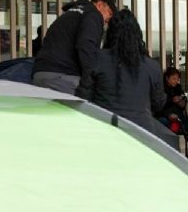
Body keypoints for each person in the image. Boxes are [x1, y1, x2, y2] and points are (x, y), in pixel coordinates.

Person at [76, 9, 177, 148]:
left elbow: (83, 96)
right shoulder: (152, 66)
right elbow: (158, 103)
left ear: (110, 34)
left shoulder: (97, 58)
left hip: (104, 131)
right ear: (137, 34)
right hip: (142, 133)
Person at [32, 0, 117, 95]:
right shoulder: (93, 15)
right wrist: (88, 82)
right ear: (100, 5)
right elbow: (86, 46)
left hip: (41, 74)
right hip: (63, 76)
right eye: (110, 13)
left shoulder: (70, 14)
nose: (109, 19)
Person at [156, 67, 188, 135]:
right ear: (167, 78)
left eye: (177, 79)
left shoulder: (178, 87)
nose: (176, 81)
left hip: (178, 115)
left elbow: (183, 100)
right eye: (173, 79)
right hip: (164, 115)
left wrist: (182, 103)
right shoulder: (160, 88)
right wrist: (172, 100)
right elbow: (158, 107)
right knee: (163, 122)